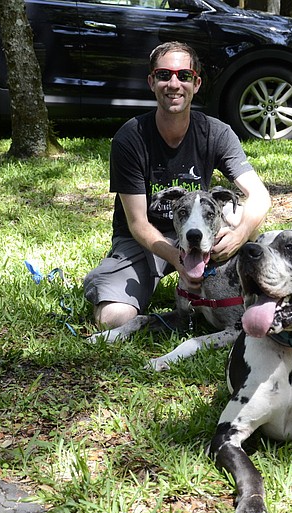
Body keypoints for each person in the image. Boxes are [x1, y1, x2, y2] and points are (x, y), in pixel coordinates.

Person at [84, 41, 271, 329]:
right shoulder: (130, 137)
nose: (174, 84)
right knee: (114, 319)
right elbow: (137, 223)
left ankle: (247, 287)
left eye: (183, 76)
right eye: (164, 75)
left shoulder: (216, 133)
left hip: (200, 231)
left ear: (196, 83)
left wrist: (240, 234)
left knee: (240, 214)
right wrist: (178, 259)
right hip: (145, 240)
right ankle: (109, 280)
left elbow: (259, 195)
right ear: (152, 82)